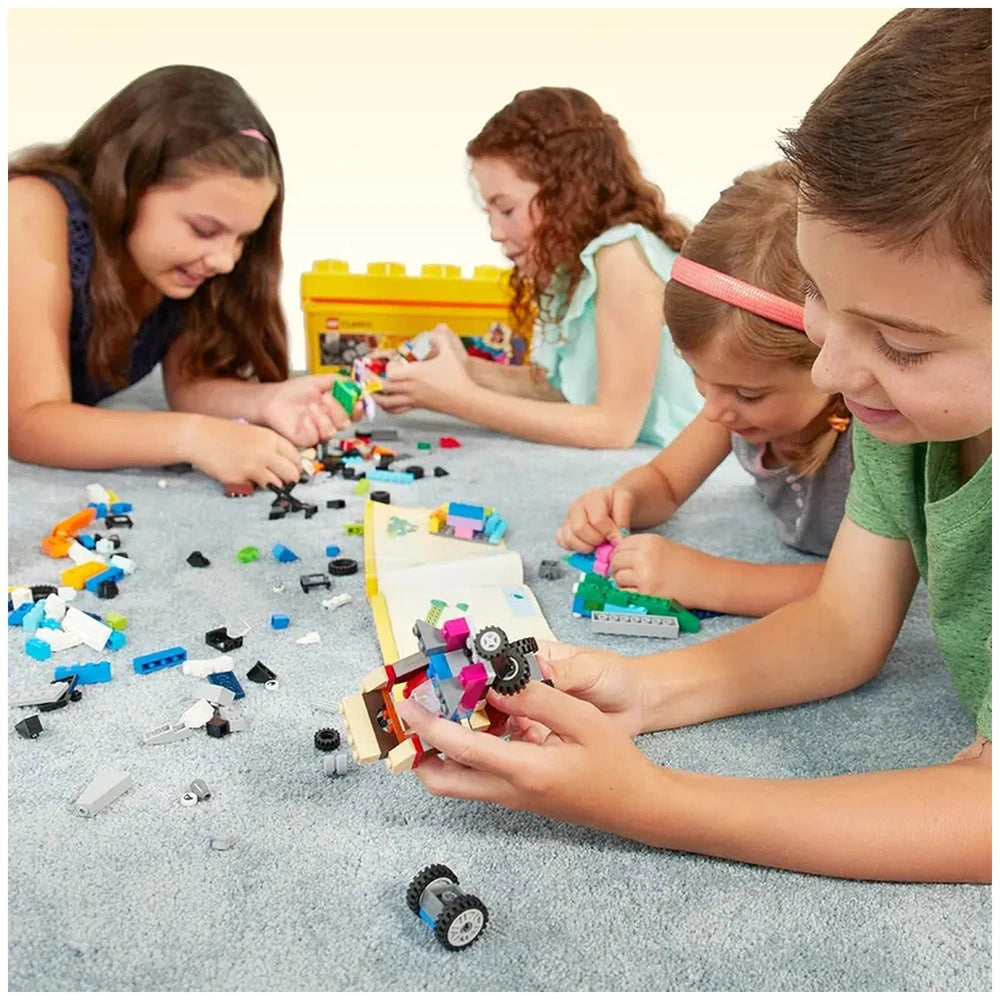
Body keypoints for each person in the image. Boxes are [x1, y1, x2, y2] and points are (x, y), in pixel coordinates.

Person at [394, 8, 992, 883]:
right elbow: (840, 625)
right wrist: (644, 688)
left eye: (901, 346)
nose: (832, 367)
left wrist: (651, 804)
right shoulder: (899, 415)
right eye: (821, 297)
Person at [8, 65, 355, 488]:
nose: (226, 261)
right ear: (127, 186)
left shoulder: (181, 270)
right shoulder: (28, 211)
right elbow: (28, 423)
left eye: (243, 238)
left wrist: (268, 401)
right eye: (204, 230)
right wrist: (193, 437)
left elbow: (190, 387)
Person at [557, 162, 853, 617]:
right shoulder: (729, 401)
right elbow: (666, 481)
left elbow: (872, 585)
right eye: (699, 376)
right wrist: (622, 499)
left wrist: (709, 580)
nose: (714, 411)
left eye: (748, 394)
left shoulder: (875, 436)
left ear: (834, 361)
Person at [376, 87, 703, 449]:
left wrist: (457, 398)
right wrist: (466, 369)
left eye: (507, 210)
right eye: (490, 213)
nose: (495, 233)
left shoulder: (623, 257)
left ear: (566, 194)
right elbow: (565, 392)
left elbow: (613, 427)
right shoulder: (577, 267)